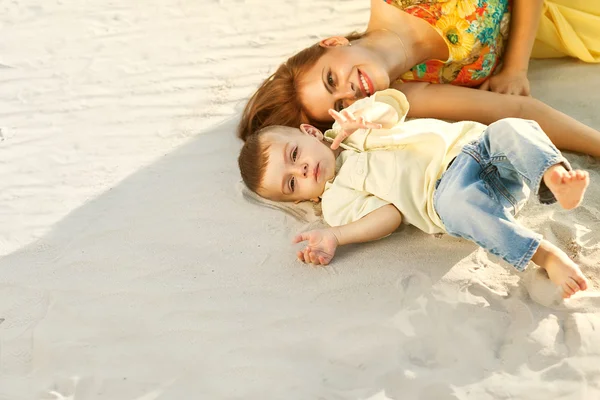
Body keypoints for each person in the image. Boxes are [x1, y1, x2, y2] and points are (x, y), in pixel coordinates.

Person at [237, 89, 591, 298]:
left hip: (477, 146)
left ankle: (554, 177)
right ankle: (544, 256)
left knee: (512, 128)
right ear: (301, 199)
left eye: (294, 155)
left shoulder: (349, 125)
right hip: (452, 192)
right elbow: (389, 216)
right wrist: (336, 235)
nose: (301, 170)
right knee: (456, 207)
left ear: (309, 133)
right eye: (292, 183)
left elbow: (395, 102)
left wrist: (367, 112)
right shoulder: (336, 200)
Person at [238, 0, 600, 158]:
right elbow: (515, 111)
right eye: (340, 107)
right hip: (558, 26)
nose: (349, 92)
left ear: (333, 43)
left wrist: (515, 68)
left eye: (331, 78)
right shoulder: (406, 94)